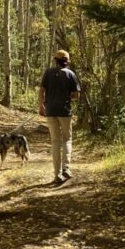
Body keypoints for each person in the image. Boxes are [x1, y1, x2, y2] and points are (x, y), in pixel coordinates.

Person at [38, 49, 81, 184]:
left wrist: (41, 106)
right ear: (67, 62)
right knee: (67, 139)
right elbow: (76, 95)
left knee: (56, 141)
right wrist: (69, 96)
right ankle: (66, 168)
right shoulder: (71, 74)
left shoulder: (48, 73)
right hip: (64, 111)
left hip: (50, 111)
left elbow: (41, 90)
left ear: (55, 60)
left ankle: (57, 174)